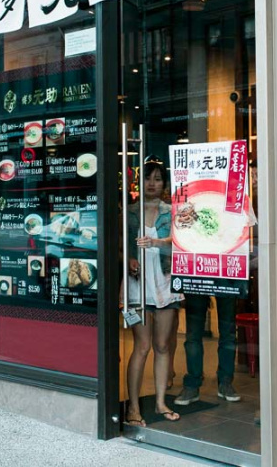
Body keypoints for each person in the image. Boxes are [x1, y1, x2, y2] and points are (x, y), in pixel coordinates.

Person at [124, 160, 184, 425]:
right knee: (142, 346)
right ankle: (133, 407)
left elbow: (180, 242)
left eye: (158, 179)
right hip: (137, 285)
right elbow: (118, 245)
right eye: (148, 178)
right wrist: (128, 259)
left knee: (162, 346)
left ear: (164, 184)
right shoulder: (129, 212)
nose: (152, 183)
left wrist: (156, 242)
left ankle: (160, 403)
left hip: (165, 283)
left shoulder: (173, 212)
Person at [175, 290, 243, 405]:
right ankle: (193, 384)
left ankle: (224, 382)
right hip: (199, 281)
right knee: (194, 334)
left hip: (222, 280)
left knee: (227, 333)